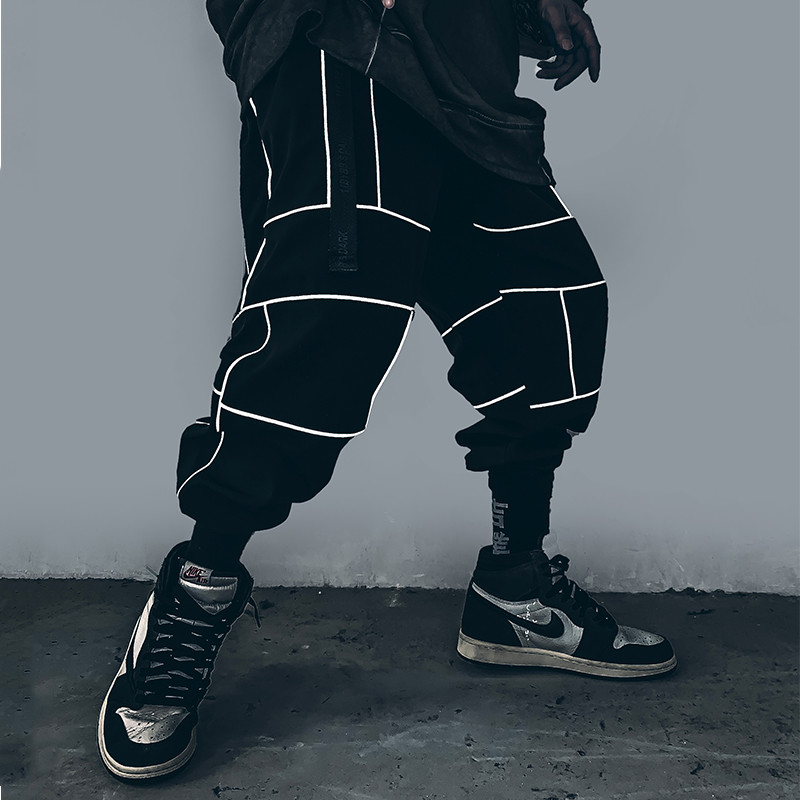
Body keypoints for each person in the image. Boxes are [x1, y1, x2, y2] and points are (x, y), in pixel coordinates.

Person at [97, 0, 677, 782]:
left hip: (463, 72)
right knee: (327, 319)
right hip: (340, 36)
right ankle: (192, 599)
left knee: (547, 305)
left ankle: (514, 589)